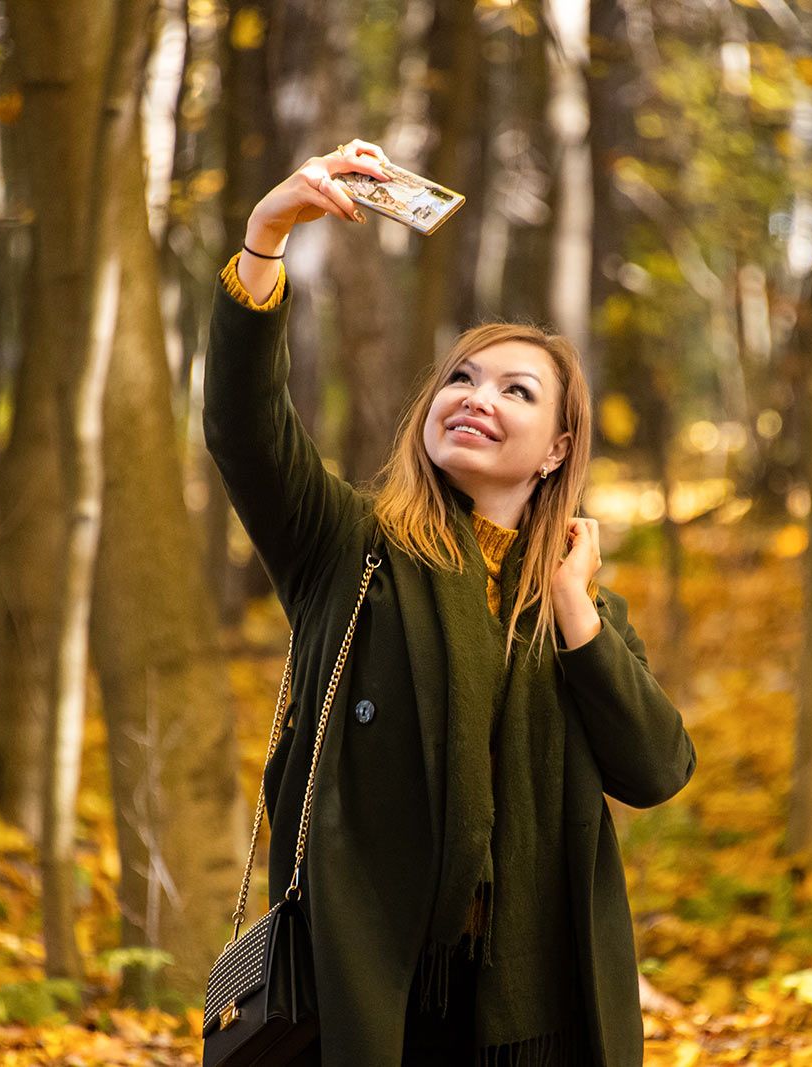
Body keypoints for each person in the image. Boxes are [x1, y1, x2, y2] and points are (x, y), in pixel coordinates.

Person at [205, 139, 697, 1067]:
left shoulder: (578, 608)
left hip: (530, 1003)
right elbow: (243, 426)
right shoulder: (347, 545)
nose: (476, 397)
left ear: (555, 450)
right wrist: (266, 239)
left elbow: (658, 768)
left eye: (517, 390)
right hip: (371, 987)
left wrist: (574, 610)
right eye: (461, 379)